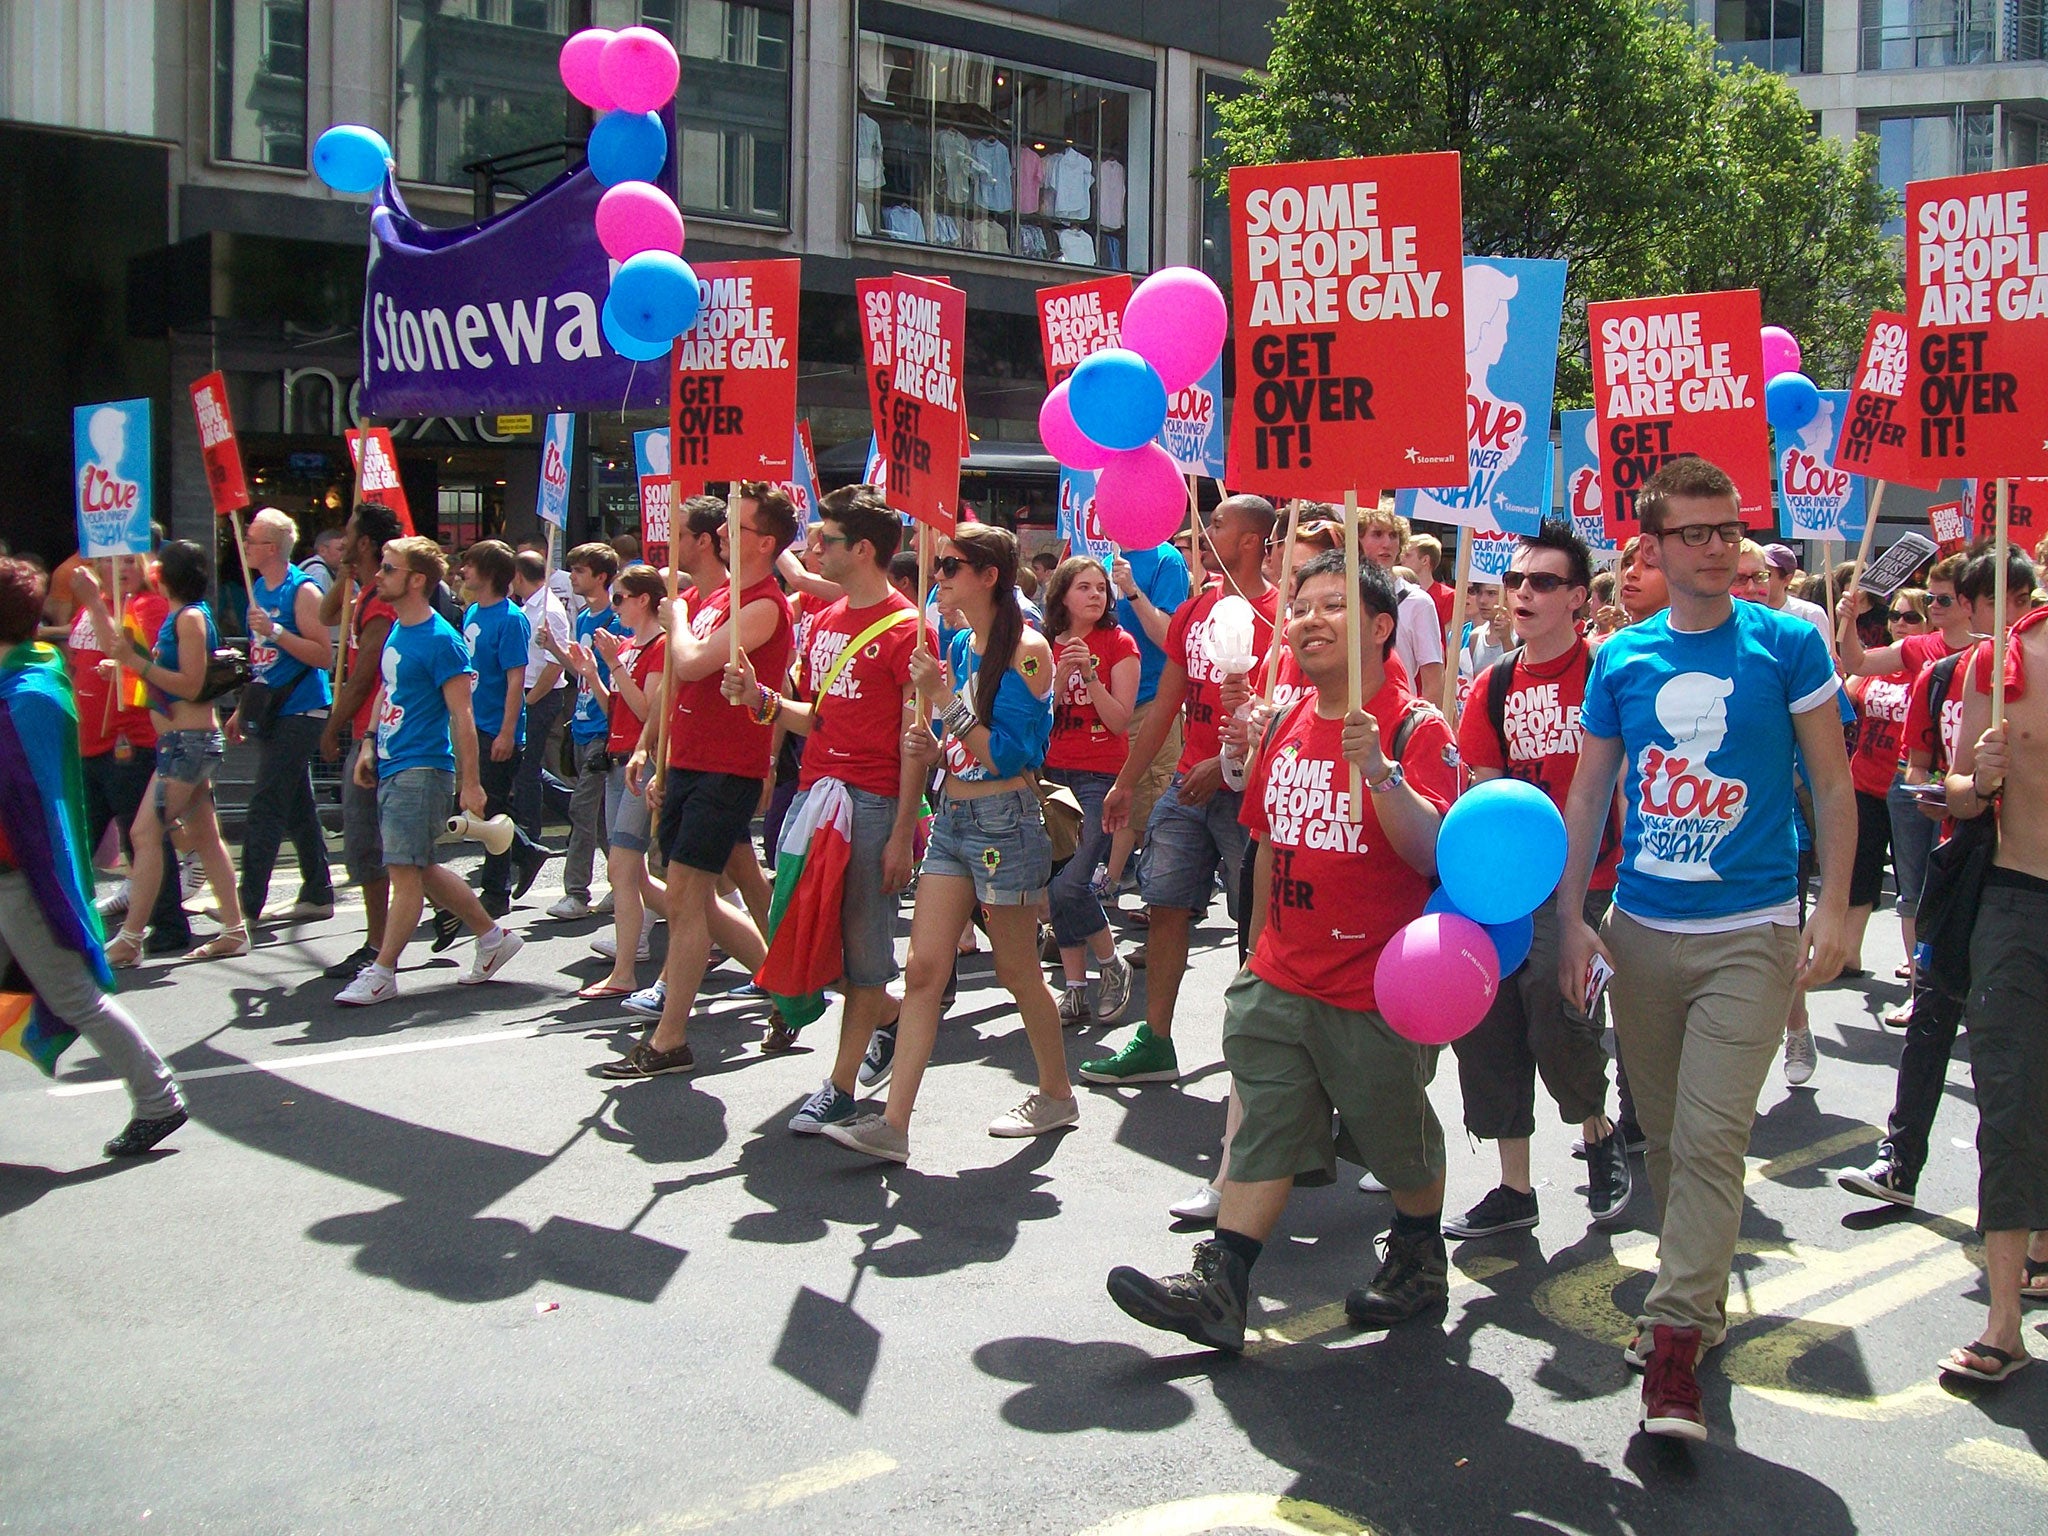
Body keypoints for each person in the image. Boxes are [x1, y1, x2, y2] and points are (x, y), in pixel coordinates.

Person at [1556, 456, 1852, 1441]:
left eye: (1728, 529)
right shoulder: (1622, 659)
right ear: (1651, 547)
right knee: (1669, 1143)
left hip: (1751, 933)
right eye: (1697, 532)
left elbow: (1833, 784)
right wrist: (1568, 920)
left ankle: (1674, 1342)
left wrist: (1837, 907)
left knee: (1714, 1135)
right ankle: (1701, 1294)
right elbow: (1589, 794)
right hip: (1639, 935)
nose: (1721, 546)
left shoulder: (1785, 647)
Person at [1106, 551, 1459, 1351]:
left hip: (1374, 989)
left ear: (1378, 627)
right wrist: (1255, 953)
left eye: (1335, 606)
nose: (1309, 620)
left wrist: (1382, 773)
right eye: (1300, 607)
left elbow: (1431, 855)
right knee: (1262, 1125)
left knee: (1394, 1134)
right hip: (1280, 974)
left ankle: (1417, 1255)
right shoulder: (1287, 720)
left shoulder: (1413, 727)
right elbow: (1264, 843)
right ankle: (1220, 1285)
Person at [820, 524, 1076, 1163]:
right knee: (925, 968)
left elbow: (1015, 754)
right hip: (954, 819)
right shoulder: (960, 644)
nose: (939, 578)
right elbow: (964, 746)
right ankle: (894, 1123)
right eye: (938, 566)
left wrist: (944, 706)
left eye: (952, 566)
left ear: (990, 575)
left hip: (1005, 820)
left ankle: (1056, 1091)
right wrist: (934, 746)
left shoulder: (1029, 651)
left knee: (1017, 969)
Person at [720, 487, 927, 1131]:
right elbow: (817, 717)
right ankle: (887, 1019)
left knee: (864, 950)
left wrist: (901, 834)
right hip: (816, 799)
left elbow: (912, 743)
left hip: (872, 805)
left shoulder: (906, 631)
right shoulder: (827, 619)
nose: (810, 551)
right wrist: (761, 700)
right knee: (812, 935)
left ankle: (840, 1084)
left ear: (861, 550)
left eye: (824, 541)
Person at [1838, 549, 2040, 1208]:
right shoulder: (1949, 674)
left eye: (1951, 600)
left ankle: (2022, 1211)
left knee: (2012, 1053)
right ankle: (1900, 1158)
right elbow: (1926, 772)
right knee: (1933, 1014)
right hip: (1963, 867)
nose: (1944, 612)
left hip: (2024, 880)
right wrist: (1972, 782)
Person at [1449, 521, 1632, 1239]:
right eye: (1516, 580)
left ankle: (1598, 1136)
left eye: (1543, 582)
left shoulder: (1608, 673)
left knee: (1556, 1009)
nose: (1523, 593)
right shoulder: (1490, 686)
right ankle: (1513, 1187)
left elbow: (1627, 785)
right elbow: (1486, 794)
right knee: (1489, 1025)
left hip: (1590, 878)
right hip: (1506, 884)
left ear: (1578, 598)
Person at [603, 487, 797, 1076]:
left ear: (763, 543)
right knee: (702, 898)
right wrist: (652, 752)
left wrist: (679, 619)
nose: (721, 538)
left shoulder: (764, 603)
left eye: (734, 529)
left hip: (725, 767)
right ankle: (787, 986)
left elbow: (688, 662)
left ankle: (670, 1040)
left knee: (688, 898)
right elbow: (676, 689)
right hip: (687, 761)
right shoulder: (707, 597)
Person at [0, 557, 186, 1157]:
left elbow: (23, 801)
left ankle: (158, 1098)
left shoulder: (27, 696)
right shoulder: (24, 680)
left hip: (22, 879)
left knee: (74, 995)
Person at [1090, 495, 1277, 1086]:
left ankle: (1263, 1053)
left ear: (1250, 541)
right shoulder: (1194, 609)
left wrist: (1225, 767)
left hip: (1250, 798)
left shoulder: (1282, 617)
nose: (1203, 530)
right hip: (1184, 787)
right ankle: (1155, 1041)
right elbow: (1167, 703)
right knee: (1165, 907)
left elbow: (1280, 718)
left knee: (1257, 925)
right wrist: (1124, 783)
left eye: (1217, 524)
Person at [1938, 559, 2048, 1384]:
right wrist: (1977, 777)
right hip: (2016, 903)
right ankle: (2004, 1320)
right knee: (2006, 1101)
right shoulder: (2001, 660)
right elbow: (1955, 793)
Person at [336, 536, 524, 1004]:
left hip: (422, 768)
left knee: (404, 870)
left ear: (416, 580)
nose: (377, 575)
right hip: (393, 761)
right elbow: (389, 691)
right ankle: (491, 937)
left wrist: (472, 782)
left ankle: (382, 970)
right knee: (420, 867)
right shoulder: (400, 630)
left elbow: (462, 716)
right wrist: (366, 745)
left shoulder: (443, 639)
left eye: (388, 568)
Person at [77, 540, 247, 965]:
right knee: (206, 837)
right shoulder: (181, 616)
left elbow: (190, 684)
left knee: (143, 834)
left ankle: (131, 938)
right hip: (184, 743)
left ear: (165, 576)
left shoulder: (188, 618)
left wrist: (137, 666)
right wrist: (126, 666)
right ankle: (234, 930)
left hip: (186, 745)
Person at [65, 552, 191, 956]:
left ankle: (168, 923)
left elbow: (131, 657)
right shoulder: (88, 608)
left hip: (128, 740)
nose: (120, 569)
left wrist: (96, 605)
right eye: (111, 562)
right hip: (89, 740)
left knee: (143, 839)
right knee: (81, 838)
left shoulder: (147, 606)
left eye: (129, 562)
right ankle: (73, 921)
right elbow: (76, 662)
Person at [1040, 556, 1140, 1026]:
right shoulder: (1042, 645)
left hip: (1101, 776)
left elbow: (1120, 720)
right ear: (1062, 595)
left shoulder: (1119, 643)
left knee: (1072, 882)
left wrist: (1092, 676)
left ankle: (1111, 964)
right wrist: (1061, 675)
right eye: (1084, 587)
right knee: (1057, 886)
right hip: (1053, 774)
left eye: (1101, 588)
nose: (1096, 596)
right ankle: (1076, 988)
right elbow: (1041, 717)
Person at [228, 507, 336, 926]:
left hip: (302, 708)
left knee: (266, 802)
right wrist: (242, 708)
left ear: (271, 547)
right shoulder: (259, 586)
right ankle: (317, 890)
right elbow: (262, 662)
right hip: (270, 706)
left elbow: (322, 654)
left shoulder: (302, 591)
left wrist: (274, 631)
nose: (245, 546)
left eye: (251, 540)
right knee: (297, 803)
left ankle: (247, 903)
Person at [573, 564, 668, 997]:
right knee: (634, 877)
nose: (615, 608)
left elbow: (648, 710)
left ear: (642, 599)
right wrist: (593, 672)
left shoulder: (660, 646)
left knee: (623, 869)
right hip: (617, 759)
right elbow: (617, 706)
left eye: (619, 598)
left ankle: (625, 971)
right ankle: (716, 926)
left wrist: (612, 663)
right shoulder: (630, 645)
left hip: (640, 762)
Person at [317, 502, 403, 979]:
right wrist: (348, 570)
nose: (342, 541)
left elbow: (364, 671)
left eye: (350, 535)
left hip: (378, 732)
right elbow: (329, 613)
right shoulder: (363, 590)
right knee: (391, 849)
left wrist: (333, 725)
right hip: (366, 732)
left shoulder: (380, 604)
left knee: (370, 845)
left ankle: (377, 941)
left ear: (366, 542)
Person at [459, 541, 548, 917]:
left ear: (491, 573)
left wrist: (507, 732)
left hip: (498, 725)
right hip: (475, 721)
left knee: (489, 809)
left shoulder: (512, 619)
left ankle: (497, 889)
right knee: (484, 810)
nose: (463, 571)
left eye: (471, 565)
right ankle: (526, 852)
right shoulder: (473, 611)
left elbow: (516, 680)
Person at [1108, 533, 1193, 886]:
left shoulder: (1167, 560)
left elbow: (1167, 637)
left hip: (1151, 699)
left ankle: (1162, 890)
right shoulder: (1097, 555)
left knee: (1154, 796)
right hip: (1103, 700)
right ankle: (1111, 875)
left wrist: (1130, 589)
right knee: (1111, 791)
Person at [546, 542, 625, 920]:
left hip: (602, 727)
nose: (573, 576)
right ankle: (622, 882)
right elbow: (581, 670)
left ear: (601, 577)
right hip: (580, 722)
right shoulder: (581, 619)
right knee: (598, 816)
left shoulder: (616, 620)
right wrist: (557, 650)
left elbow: (610, 674)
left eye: (579, 571)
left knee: (582, 809)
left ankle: (576, 892)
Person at [509, 549, 570, 893]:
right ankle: (573, 806)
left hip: (541, 695)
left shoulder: (548, 611)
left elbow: (554, 663)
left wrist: (529, 701)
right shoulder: (528, 608)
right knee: (526, 763)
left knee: (527, 769)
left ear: (519, 576)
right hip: (529, 692)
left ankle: (529, 835)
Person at [1359, 501, 1445, 700]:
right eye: (1377, 534)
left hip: (1398, 718)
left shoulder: (1419, 603)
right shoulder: (1341, 597)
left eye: (1393, 535)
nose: (1387, 543)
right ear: (1358, 539)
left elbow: (1433, 681)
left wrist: (1415, 727)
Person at [1761, 543, 1837, 658]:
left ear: (1787, 579)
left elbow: (1819, 663)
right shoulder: (1742, 612)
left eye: (1765, 574)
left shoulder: (1810, 614)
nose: (1759, 579)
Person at [1456, 577, 1511, 684]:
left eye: (1491, 593)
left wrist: (1506, 640)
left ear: (1507, 596)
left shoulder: (1523, 636)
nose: (1482, 600)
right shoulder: (1475, 637)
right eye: (1479, 592)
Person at [1405, 531, 1455, 635]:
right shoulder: (1400, 593)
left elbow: (1446, 637)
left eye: (1408, 555)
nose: (1401, 559)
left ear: (1425, 560)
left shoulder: (1448, 596)